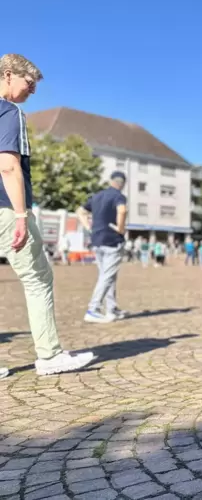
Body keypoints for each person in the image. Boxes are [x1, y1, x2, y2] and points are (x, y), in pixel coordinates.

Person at [0, 53, 94, 378]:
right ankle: (50, 355)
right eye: (29, 83)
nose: (33, 92)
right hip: (6, 209)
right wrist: (22, 215)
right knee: (38, 278)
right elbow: (8, 165)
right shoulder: (9, 111)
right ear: (8, 75)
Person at [77, 171, 129, 323]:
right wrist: (120, 228)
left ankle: (111, 309)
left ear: (110, 181)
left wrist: (88, 226)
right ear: (122, 183)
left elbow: (81, 211)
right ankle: (93, 308)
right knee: (107, 276)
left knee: (107, 275)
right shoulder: (118, 196)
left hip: (97, 240)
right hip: (112, 240)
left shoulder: (97, 196)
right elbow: (122, 210)